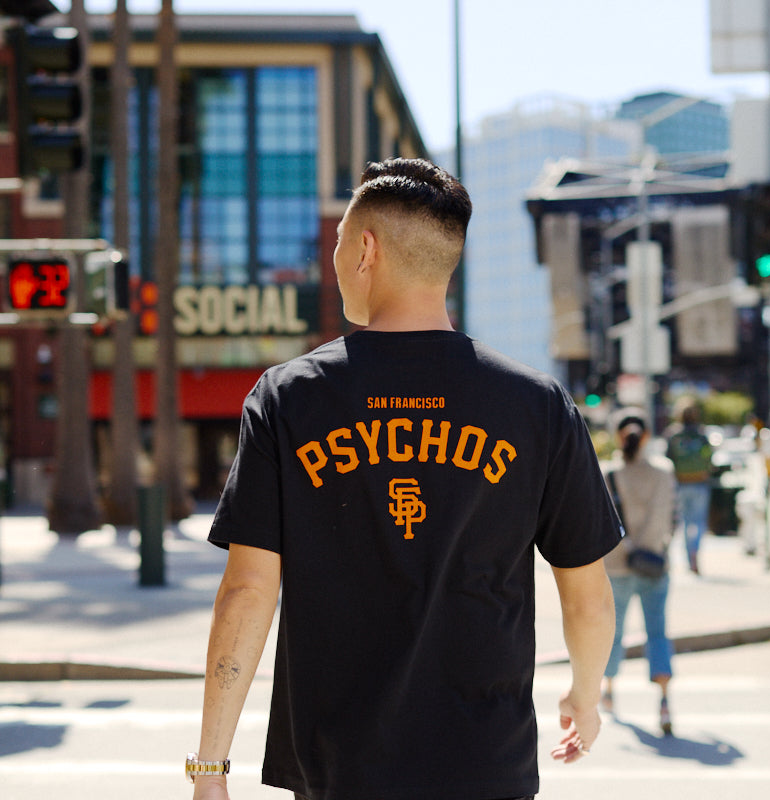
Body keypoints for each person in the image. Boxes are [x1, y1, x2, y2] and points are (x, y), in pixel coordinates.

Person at [189, 158, 621, 800]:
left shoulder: (290, 398)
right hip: (487, 767)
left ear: (366, 250)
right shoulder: (537, 405)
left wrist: (210, 770)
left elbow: (248, 592)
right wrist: (584, 697)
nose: (333, 262)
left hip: (339, 767)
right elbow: (586, 595)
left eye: (338, 243)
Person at [601, 409, 677, 735]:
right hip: (655, 562)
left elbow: (601, 522)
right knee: (657, 633)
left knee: (613, 632)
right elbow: (671, 516)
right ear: (646, 436)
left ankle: (609, 689)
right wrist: (658, 546)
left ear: (618, 436)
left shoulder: (608, 473)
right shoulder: (664, 472)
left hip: (617, 565)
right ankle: (663, 700)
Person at [665, 399, 714, 574]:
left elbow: (668, 460)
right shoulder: (701, 435)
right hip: (700, 482)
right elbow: (709, 457)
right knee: (699, 522)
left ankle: (688, 557)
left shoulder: (673, 435)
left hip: (680, 483)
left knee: (685, 523)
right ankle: (695, 552)